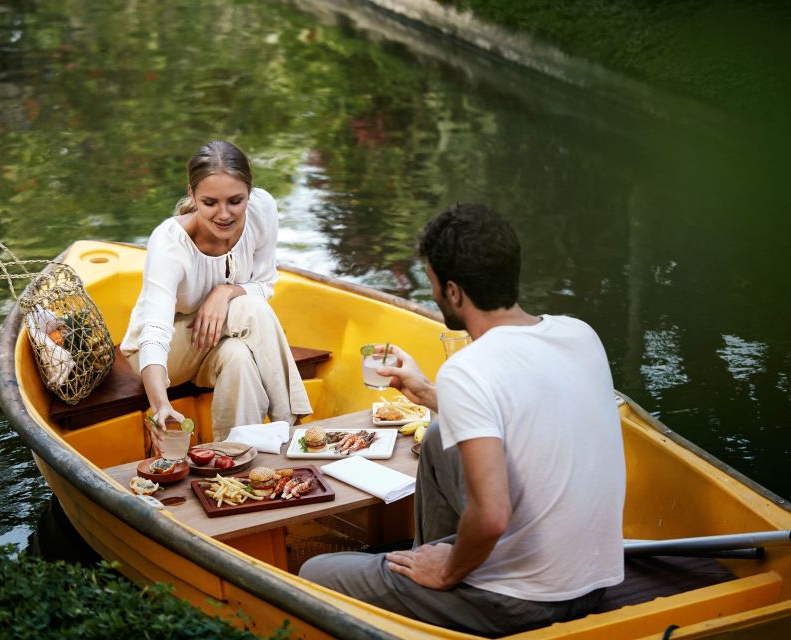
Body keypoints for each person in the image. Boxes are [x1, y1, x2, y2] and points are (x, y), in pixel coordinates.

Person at [299, 204, 625, 637]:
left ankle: (438, 585)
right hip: (593, 581)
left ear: (454, 292)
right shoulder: (579, 333)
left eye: (433, 284)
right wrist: (426, 393)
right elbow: (517, 408)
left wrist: (449, 571)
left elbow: (491, 516)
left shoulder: (469, 368)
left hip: (527, 602)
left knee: (312, 573)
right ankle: (426, 569)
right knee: (437, 435)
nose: (433, 294)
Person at [120, 140, 311, 443]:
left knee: (239, 359)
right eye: (210, 203)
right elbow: (154, 332)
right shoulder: (171, 243)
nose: (224, 215)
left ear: (249, 193)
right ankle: (293, 428)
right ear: (192, 194)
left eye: (235, 201)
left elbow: (264, 284)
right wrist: (160, 406)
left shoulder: (262, 210)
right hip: (170, 355)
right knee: (253, 309)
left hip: (219, 343)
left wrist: (224, 292)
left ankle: (237, 456)